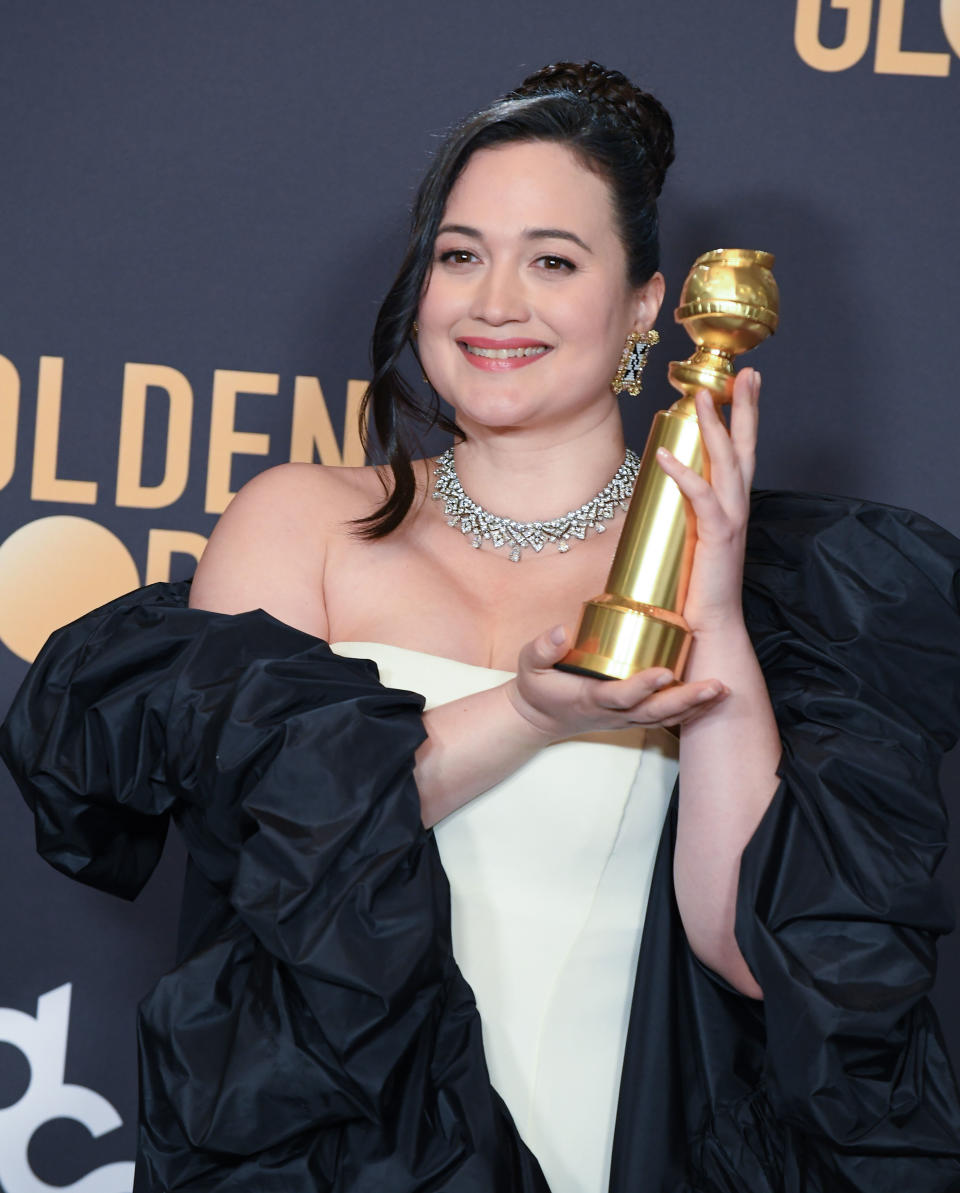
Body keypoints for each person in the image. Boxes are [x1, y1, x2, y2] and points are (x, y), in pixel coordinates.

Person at [3, 61, 960, 1193]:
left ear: (647, 305)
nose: (493, 301)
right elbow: (259, 839)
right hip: (326, 1155)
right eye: (461, 254)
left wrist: (713, 609)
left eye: (552, 260)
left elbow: (756, 950)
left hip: (606, 1149)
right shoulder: (300, 522)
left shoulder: (732, 581)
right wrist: (528, 709)